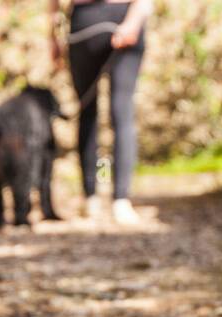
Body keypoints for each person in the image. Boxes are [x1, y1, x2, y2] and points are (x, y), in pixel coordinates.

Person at [49, 0, 153, 225]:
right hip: (92, 21)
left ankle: (113, 199)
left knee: (115, 113)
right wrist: (53, 33)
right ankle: (99, 198)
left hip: (109, 19)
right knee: (96, 113)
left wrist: (133, 23)